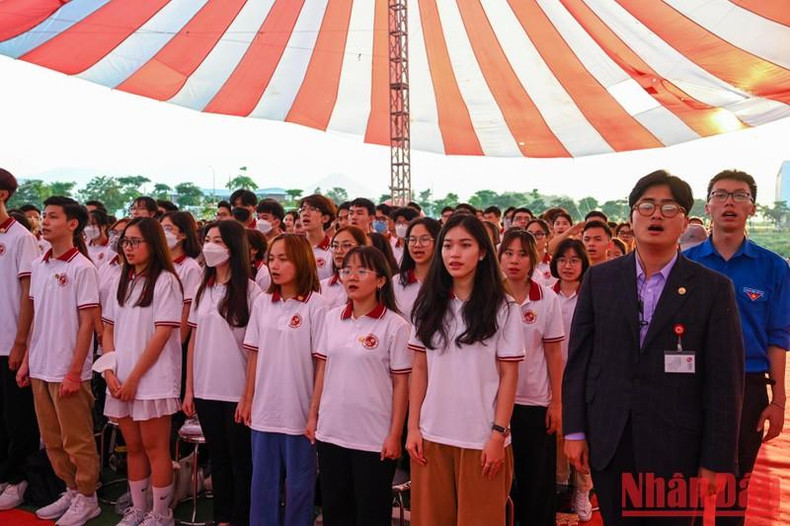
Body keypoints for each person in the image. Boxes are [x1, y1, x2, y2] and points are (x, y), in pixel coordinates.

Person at [563, 170, 745, 526]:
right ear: (631, 218)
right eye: (646, 206)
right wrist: (575, 430)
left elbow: (725, 383)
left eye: (668, 207)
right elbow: (580, 361)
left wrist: (717, 458)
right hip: (610, 439)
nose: (656, 215)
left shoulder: (712, 289)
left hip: (678, 448)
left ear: (687, 221)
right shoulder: (600, 280)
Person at [684, 169, 790, 525]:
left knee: (736, 484)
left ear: (752, 208)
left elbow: (778, 335)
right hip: (690, 384)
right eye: (721, 194)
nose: (730, 202)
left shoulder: (773, 267)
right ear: (709, 205)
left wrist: (778, 399)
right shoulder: (684, 264)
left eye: (740, 195)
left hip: (749, 386)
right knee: (687, 485)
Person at [407, 214, 525, 525]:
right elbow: (419, 368)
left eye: (465, 245)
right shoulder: (428, 304)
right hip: (432, 437)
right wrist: (413, 428)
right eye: (447, 246)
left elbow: (509, 375)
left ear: (483, 252)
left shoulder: (504, 308)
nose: (454, 254)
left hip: (481, 440)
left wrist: (498, 435)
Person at [307, 246, 411, 526]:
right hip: (332, 432)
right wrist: (314, 415)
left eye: (361, 271)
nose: (351, 276)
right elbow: (323, 370)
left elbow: (402, 384)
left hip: (374, 438)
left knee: (370, 513)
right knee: (336, 510)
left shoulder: (395, 326)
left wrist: (395, 434)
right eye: (346, 270)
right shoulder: (332, 318)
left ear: (380, 281)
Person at [17, 196, 101, 525]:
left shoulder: (83, 268)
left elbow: (87, 325)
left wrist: (74, 371)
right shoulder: (39, 265)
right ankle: (71, 489)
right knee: (51, 438)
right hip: (40, 365)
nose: (45, 222)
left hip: (69, 370)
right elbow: (36, 316)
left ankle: (88, 496)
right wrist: (26, 362)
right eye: (45, 216)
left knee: (76, 439)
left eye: (53, 217)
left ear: (72, 224)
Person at [101, 217, 184, 526]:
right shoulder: (122, 279)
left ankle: (162, 514)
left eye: (135, 241)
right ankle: (139, 508)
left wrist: (134, 378)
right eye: (125, 241)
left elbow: (162, 335)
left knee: (155, 449)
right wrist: (111, 372)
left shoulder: (166, 281)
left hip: (152, 379)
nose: (129, 247)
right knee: (133, 448)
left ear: (154, 244)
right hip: (120, 379)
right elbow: (107, 329)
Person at [243, 234, 325, 526]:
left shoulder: (317, 306)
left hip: (299, 413)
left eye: (283, 259)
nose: (274, 266)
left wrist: (314, 411)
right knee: (262, 485)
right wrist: (247, 398)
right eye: (272, 258)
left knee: (300, 487)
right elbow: (254, 354)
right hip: (265, 410)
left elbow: (321, 364)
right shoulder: (263, 303)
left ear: (301, 261)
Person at [183, 220, 261, 526]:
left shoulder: (252, 291)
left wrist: (248, 394)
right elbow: (194, 341)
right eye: (207, 239)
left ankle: (242, 517)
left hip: (236, 390)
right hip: (205, 388)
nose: (209, 246)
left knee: (241, 461)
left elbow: (255, 350)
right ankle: (222, 517)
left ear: (234, 248)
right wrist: (189, 389)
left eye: (218, 240)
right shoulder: (202, 288)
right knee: (218, 458)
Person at [499, 229, 564, 526]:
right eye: (508, 253)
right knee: (498, 481)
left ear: (533, 259)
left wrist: (557, 403)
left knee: (535, 479)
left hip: (534, 400)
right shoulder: (486, 296)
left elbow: (553, 354)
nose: (514, 260)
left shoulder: (547, 298)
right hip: (494, 402)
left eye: (522, 254)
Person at [0, 169, 40, 513]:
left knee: (18, 417)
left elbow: (29, 293)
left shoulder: (20, 237)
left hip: (10, 342)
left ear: (3, 195)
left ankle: (19, 478)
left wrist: (21, 342)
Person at [550, 239, 593, 521]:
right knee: (557, 436)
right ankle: (560, 488)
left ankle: (583, 489)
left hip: (583, 377)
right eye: (563, 259)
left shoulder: (591, 293)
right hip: (552, 377)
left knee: (582, 434)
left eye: (574, 260)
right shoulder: (544, 293)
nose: (568, 265)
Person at [161, 211, 202, 343]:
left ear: (183, 234)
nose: (163, 233)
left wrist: (179, 342)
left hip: (174, 338)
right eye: (160, 228)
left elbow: (187, 309)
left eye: (168, 229)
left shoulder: (190, 267)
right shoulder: (158, 263)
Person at [394, 218, 441, 320]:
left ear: (438, 242)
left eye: (424, 239)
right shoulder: (396, 282)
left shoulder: (447, 281)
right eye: (412, 240)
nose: (417, 245)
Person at [320, 226, 368, 308]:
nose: (339, 251)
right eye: (335, 246)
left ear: (362, 248)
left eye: (346, 245)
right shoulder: (321, 287)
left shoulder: (369, 284)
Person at [299, 194, 336, 281]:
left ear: (325, 218)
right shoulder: (294, 247)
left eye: (312, 209)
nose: (305, 213)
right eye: (303, 209)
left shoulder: (334, 248)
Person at [527, 219, 556, 286]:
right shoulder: (519, 264)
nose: (533, 238)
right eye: (529, 234)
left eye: (539, 234)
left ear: (547, 237)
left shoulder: (554, 264)